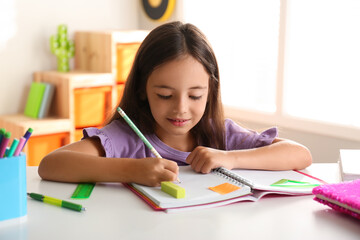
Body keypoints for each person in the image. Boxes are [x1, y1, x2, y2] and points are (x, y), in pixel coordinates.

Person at [38, 21, 312, 187]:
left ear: (210, 91)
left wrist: (229, 158)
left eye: (195, 96)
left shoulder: (220, 135)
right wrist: (132, 170)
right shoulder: (127, 138)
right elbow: (51, 164)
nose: (181, 108)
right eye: (165, 95)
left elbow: (300, 154)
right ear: (144, 89)